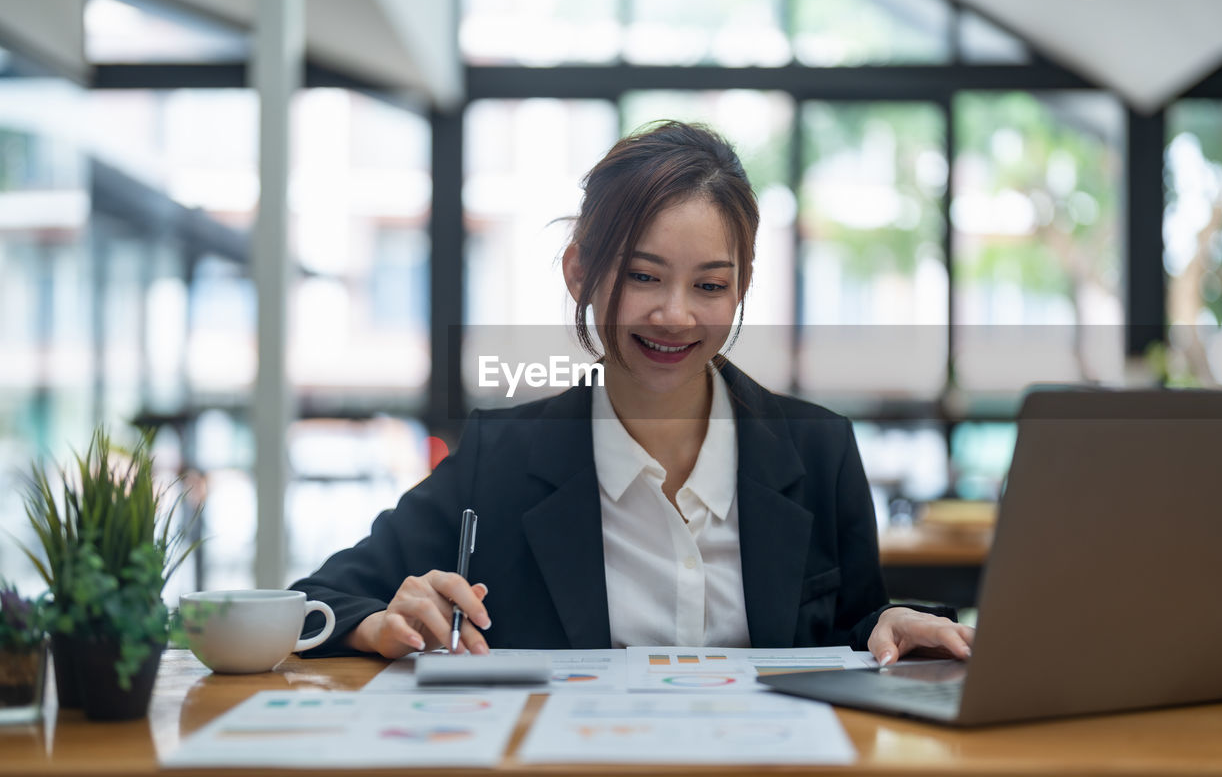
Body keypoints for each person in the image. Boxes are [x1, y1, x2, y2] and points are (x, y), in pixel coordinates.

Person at [291, 121, 974, 667]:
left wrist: (888, 623)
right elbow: (314, 601)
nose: (675, 315)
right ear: (578, 270)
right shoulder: (499, 460)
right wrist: (379, 624)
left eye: (710, 285)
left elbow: (856, 630)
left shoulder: (819, 450)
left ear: (741, 287)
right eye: (645, 277)